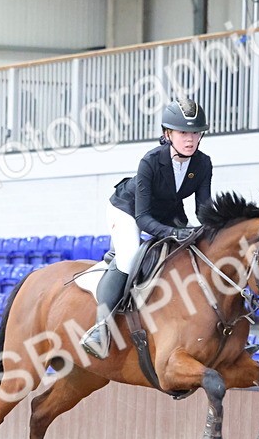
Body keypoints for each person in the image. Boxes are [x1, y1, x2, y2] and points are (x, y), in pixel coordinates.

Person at [80, 98, 213, 359]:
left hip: (166, 213)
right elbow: (142, 219)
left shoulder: (203, 163)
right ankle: (101, 328)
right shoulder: (150, 161)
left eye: (195, 133)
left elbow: (203, 209)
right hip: (128, 211)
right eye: (183, 132)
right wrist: (174, 233)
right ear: (168, 134)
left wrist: (217, 227)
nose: (190, 139)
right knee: (129, 257)